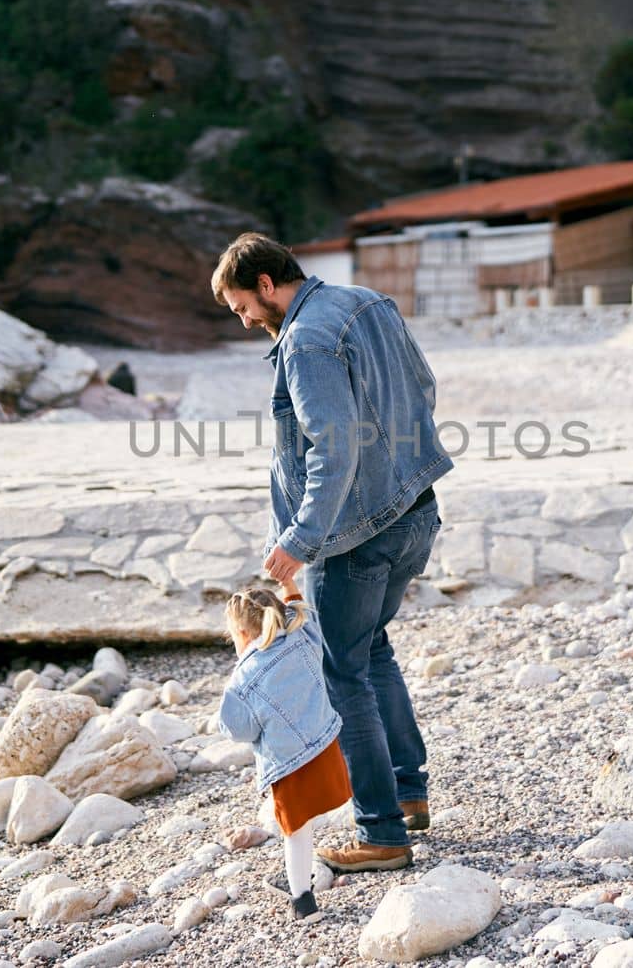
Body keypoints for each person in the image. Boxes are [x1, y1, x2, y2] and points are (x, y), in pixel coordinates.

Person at [211, 232, 453, 873]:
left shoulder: (308, 340)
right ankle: (407, 796)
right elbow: (423, 387)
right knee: (371, 651)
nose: (242, 320)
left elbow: (332, 449)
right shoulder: (369, 302)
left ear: (266, 284)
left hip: (354, 536)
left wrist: (299, 540)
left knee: (342, 672)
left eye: (242, 307)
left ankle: (382, 834)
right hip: (414, 511)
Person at [218, 586, 351, 921]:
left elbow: (239, 730)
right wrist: (290, 586)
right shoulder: (304, 637)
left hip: (290, 767)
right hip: (325, 749)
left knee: (297, 833)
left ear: (243, 633)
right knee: (306, 824)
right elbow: (300, 609)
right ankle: (302, 883)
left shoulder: (242, 679)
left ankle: (303, 902)